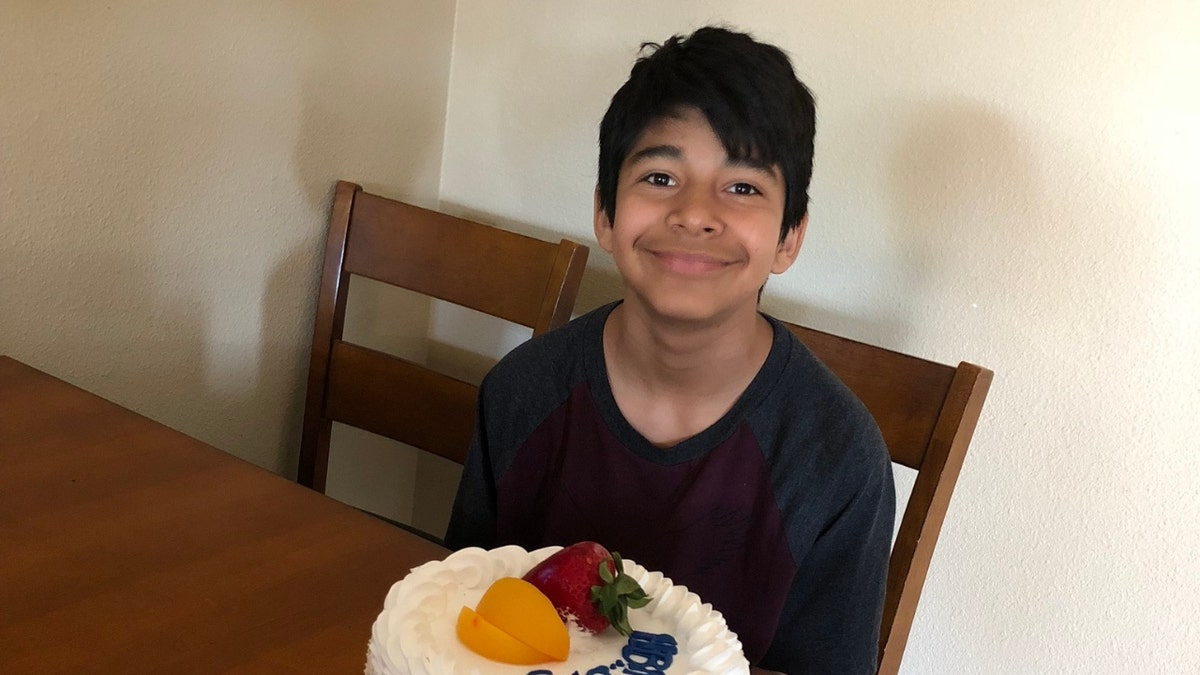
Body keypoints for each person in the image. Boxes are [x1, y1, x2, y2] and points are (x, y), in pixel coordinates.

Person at [446, 25, 894, 674]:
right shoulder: (521, 393)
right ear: (605, 213)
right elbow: (464, 616)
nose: (693, 212)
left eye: (742, 188)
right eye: (660, 176)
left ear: (788, 237)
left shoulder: (836, 460)